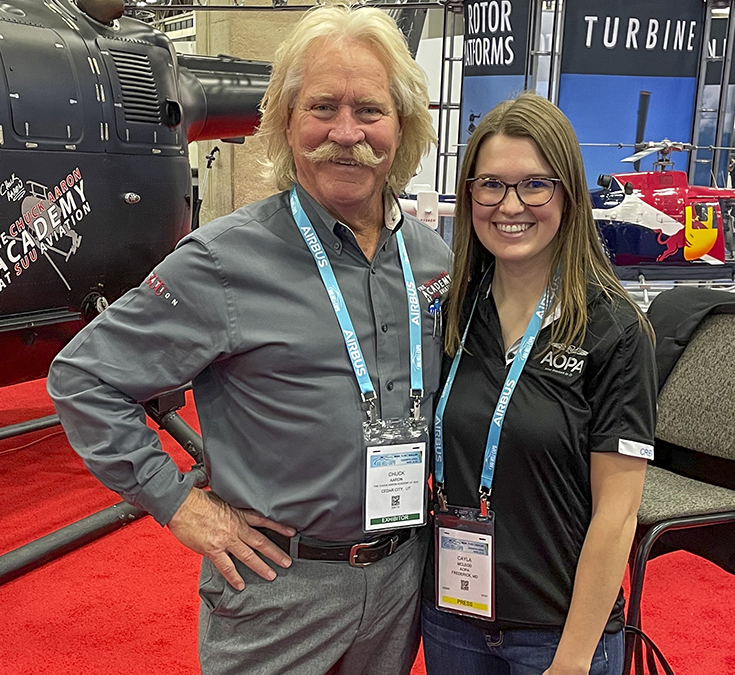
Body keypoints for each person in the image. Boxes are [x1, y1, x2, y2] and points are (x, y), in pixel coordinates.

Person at [46, 4, 446, 674]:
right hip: (279, 588)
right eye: (322, 107)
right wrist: (178, 503)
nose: (346, 133)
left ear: (402, 124)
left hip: (403, 578)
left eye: (370, 110)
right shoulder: (223, 261)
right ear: (286, 121)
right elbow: (84, 377)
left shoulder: (433, 260)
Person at [422, 92, 657, 675]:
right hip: (453, 620)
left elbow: (618, 515)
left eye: (535, 185)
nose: (511, 205)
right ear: (469, 195)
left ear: (568, 194)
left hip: (558, 635)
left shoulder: (614, 329)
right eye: (490, 185)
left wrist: (572, 660)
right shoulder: (451, 314)